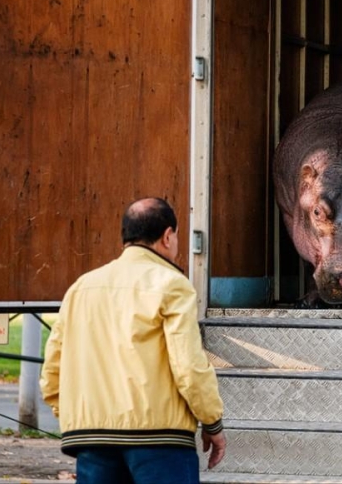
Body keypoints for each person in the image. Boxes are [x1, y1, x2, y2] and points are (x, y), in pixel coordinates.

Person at [41, 197, 226, 483]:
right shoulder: (171, 284)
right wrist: (212, 422)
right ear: (167, 236)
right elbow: (188, 366)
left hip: (92, 440)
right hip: (160, 439)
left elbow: (52, 369)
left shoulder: (81, 288)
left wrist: (74, 415)